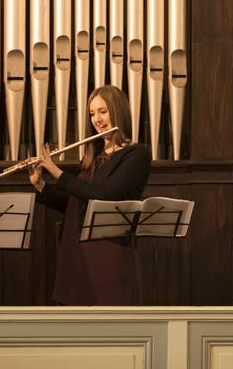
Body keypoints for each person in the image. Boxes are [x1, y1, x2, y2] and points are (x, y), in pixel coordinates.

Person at [29, 85, 151, 305]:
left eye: (103, 111)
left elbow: (106, 195)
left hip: (110, 252)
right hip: (78, 251)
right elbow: (74, 203)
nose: (97, 119)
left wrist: (57, 172)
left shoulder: (136, 154)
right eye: (92, 113)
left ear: (118, 110)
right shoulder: (93, 157)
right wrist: (41, 185)